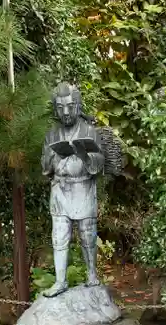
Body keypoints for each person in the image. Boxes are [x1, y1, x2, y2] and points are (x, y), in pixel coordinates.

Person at [41, 82, 105, 298]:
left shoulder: (89, 131)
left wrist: (84, 155)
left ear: (78, 106)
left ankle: (91, 274)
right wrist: (53, 157)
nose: (65, 112)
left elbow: (99, 162)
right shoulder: (52, 134)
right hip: (60, 190)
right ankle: (60, 281)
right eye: (60, 107)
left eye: (70, 106)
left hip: (84, 188)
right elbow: (45, 166)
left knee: (88, 234)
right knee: (59, 236)